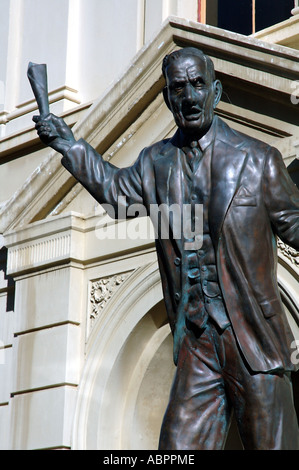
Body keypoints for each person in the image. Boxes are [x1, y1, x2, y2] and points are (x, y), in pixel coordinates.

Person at [33, 47, 299, 450]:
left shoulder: (258, 160)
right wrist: (68, 145)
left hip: (254, 342)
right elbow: (116, 194)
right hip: (198, 344)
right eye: (179, 88)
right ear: (167, 98)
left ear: (215, 89)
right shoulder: (156, 162)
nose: (190, 97)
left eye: (197, 85)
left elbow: (294, 224)